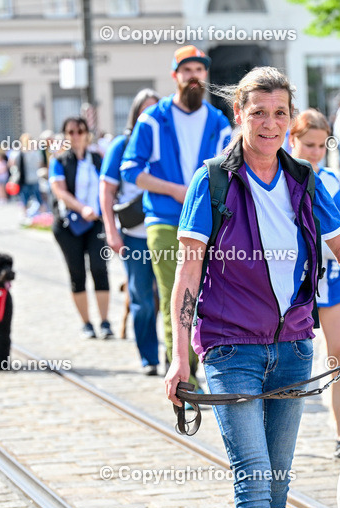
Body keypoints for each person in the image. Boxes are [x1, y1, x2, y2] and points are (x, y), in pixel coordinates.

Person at [166, 67, 340, 508]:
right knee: (253, 475)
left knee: (278, 479)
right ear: (239, 113)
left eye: (280, 113)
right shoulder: (211, 182)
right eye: (258, 112)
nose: (269, 123)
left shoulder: (307, 181)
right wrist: (178, 356)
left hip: (291, 349)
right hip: (229, 347)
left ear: (291, 118)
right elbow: (188, 274)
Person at [122, 46, 232, 371]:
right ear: (175, 76)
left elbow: (231, 168)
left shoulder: (218, 120)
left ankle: (206, 365)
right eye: (187, 71)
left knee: (210, 298)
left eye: (199, 70)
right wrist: (174, 190)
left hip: (210, 224)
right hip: (164, 221)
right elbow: (130, 170)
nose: (194, 76)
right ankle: (183, 372)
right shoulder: (152, 119)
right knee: (176, 297)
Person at [289, 108, 340, 459]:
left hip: (333, 277)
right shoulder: (279, 177)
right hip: (291, 277)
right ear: (293, 140)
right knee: (286, 357)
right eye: (309, 144)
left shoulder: (337, 181)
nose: (316, 152)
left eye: (322, 145)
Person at [100, 88, 162, 374]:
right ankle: (149, 357)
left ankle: (179, 357)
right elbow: (107, 189)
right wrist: (111, 232)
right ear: (136, 114)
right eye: (144, 111)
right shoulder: (121, 145)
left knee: (176, 296)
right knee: (142, 299)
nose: (149, 116)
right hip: (135, 234)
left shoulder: (167, 145)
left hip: (168, 232)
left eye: (155, 111)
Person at [49, 116, 113, 338]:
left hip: (95, 223)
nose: (76, 136)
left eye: (80, 131)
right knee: (77, 273)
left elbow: (109, 185)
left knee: (99, 268)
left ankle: (105, 322)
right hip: (68, 225)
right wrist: (81, 208)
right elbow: (60, 191)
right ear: (65, 136)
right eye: (71, 132)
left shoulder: (97, 159)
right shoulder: (59, 161)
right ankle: (86, 323)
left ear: (87, 134)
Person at [10, 134, 43, 217]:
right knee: (38, 197)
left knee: (25, 198)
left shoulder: (20, 154)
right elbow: (40, 164)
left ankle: (26, 215)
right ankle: (41, 215)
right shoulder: (36, 153)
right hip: (33, 178)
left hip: (25, 179)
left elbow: (13, 164)